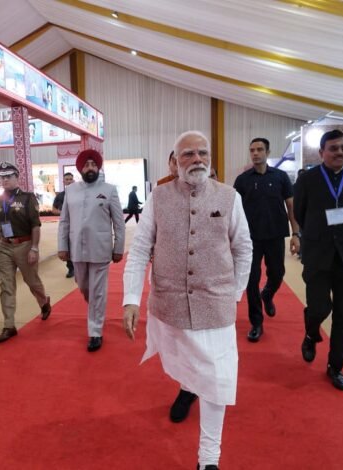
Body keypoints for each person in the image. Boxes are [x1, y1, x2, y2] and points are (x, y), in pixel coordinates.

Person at [123, 131, 252, 470]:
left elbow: (243, 248)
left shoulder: (230, 197)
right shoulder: (158, 197)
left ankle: (208, 459)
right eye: (188, 154)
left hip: (216, 305)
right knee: (189, 365)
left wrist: (234, 293)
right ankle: (187, 387)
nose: (197, 159)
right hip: (171, 305)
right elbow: (140, 249)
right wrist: (131, 299)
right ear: (175, 161)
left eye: (202, 153)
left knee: (217, 380)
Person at [293, 129, 343, 392]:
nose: (339, 152)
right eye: (334, 148)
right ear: (321, 152)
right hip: (318, 254)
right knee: (318, 307)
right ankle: (310, 332)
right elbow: (301, 213)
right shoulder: (308, 179)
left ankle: (335, 367)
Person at [57, 149, 125, 352]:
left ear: (98, 167)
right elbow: (64, 221)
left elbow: (119, 223)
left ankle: (95, 332)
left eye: (93, 165)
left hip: (100, 249)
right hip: (76, 249)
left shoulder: (109, 190)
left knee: (97, 291)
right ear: (80, 169)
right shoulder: (70, 191)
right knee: (83, 286)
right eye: (86, 165)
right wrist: (62, 246)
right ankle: (95, 307)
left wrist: (118, 247)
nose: (90, 168)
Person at [233, 137, 299, 342]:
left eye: (259, 149)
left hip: (275, 235)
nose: (255, 153)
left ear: (267, 153)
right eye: (252, 150)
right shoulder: (242, 180)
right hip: (249, 239)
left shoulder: (280, 177)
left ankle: (268, 294)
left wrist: (296, 234)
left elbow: (291, 206)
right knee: (251, 280)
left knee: (277, 273)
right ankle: (256, 323)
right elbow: (234, 210)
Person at [0, 162, 51, 343]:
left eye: (9, 176)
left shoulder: (28, 198)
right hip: (5, 246)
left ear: (17, 177)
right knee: (6, 286)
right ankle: (9, 325)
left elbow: (35, 225)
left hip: (25, 245)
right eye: (2, 177)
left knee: (32, 281)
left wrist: (34, 248)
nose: (5, 180)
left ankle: (44, 302)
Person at [52, 172, 75, 278]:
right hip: (66, 226)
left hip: (79, 224)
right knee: (67, 246)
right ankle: (71, 268)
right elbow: (53, 210)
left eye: (71, 179)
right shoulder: (60, 196)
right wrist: (63, 213)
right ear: (63, 181)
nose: (69, 181)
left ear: (73, 180)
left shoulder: (79, 194)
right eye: (67, 179)